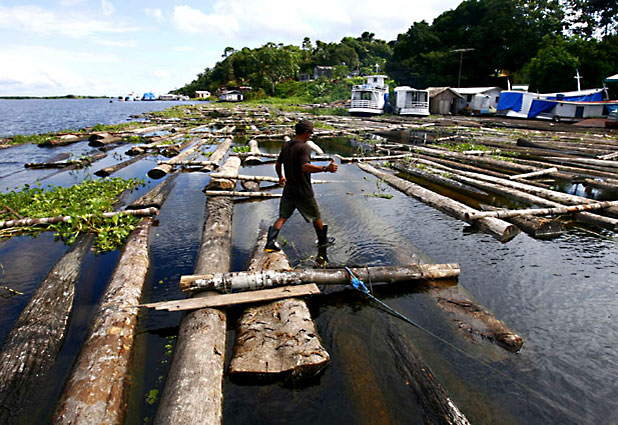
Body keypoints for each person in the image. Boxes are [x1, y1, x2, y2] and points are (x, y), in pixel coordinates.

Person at [265, 119, 338, 252]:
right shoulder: (304, 147)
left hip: (289, 190)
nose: (310, 136)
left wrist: (280, 177)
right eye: (310, 133)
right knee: (316, 216)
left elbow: (278, 163)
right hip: (303, 191)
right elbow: (304, 167)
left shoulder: (286, 145)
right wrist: (325, 169)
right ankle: (322, 241)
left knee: (282, 217)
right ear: (305, 132)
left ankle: (270, 243)